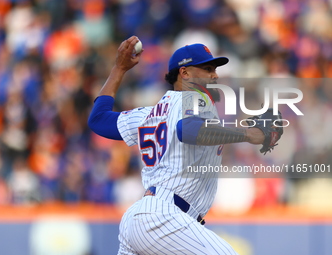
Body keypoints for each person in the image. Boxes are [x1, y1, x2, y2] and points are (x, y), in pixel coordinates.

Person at [88, 36, 269, 255]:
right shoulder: (195, 98)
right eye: (208, 68)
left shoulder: (149, 114)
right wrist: (247, 134)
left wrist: (118, 69)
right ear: (185, 74)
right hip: (164, 218)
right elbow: (187, 129)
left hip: (140, 219)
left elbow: (98, 119)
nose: (215, 75)